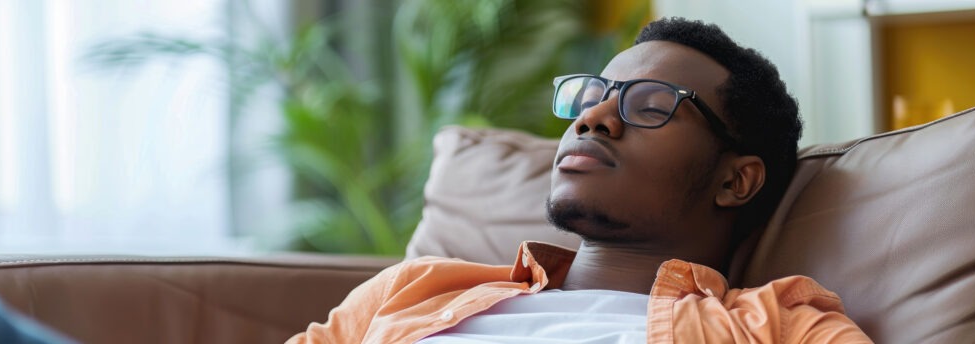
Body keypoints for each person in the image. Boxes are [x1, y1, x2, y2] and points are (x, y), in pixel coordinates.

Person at [286, 17, 872, 343]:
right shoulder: (417, 289)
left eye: (651, 104)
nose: (594, 117)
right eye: (594, 96)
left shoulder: (773, 325)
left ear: (735, 181)